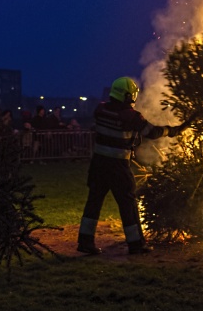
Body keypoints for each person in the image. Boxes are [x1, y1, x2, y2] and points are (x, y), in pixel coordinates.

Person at [77, 76, 190, 255]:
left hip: (98, 165)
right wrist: (173, 130)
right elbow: (152, 132)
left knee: (94, 201)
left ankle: (85, 241)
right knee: (127, 204)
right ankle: (136, 243)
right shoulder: (130, 116)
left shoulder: (100, 110)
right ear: (128, 95)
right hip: (118, 167)